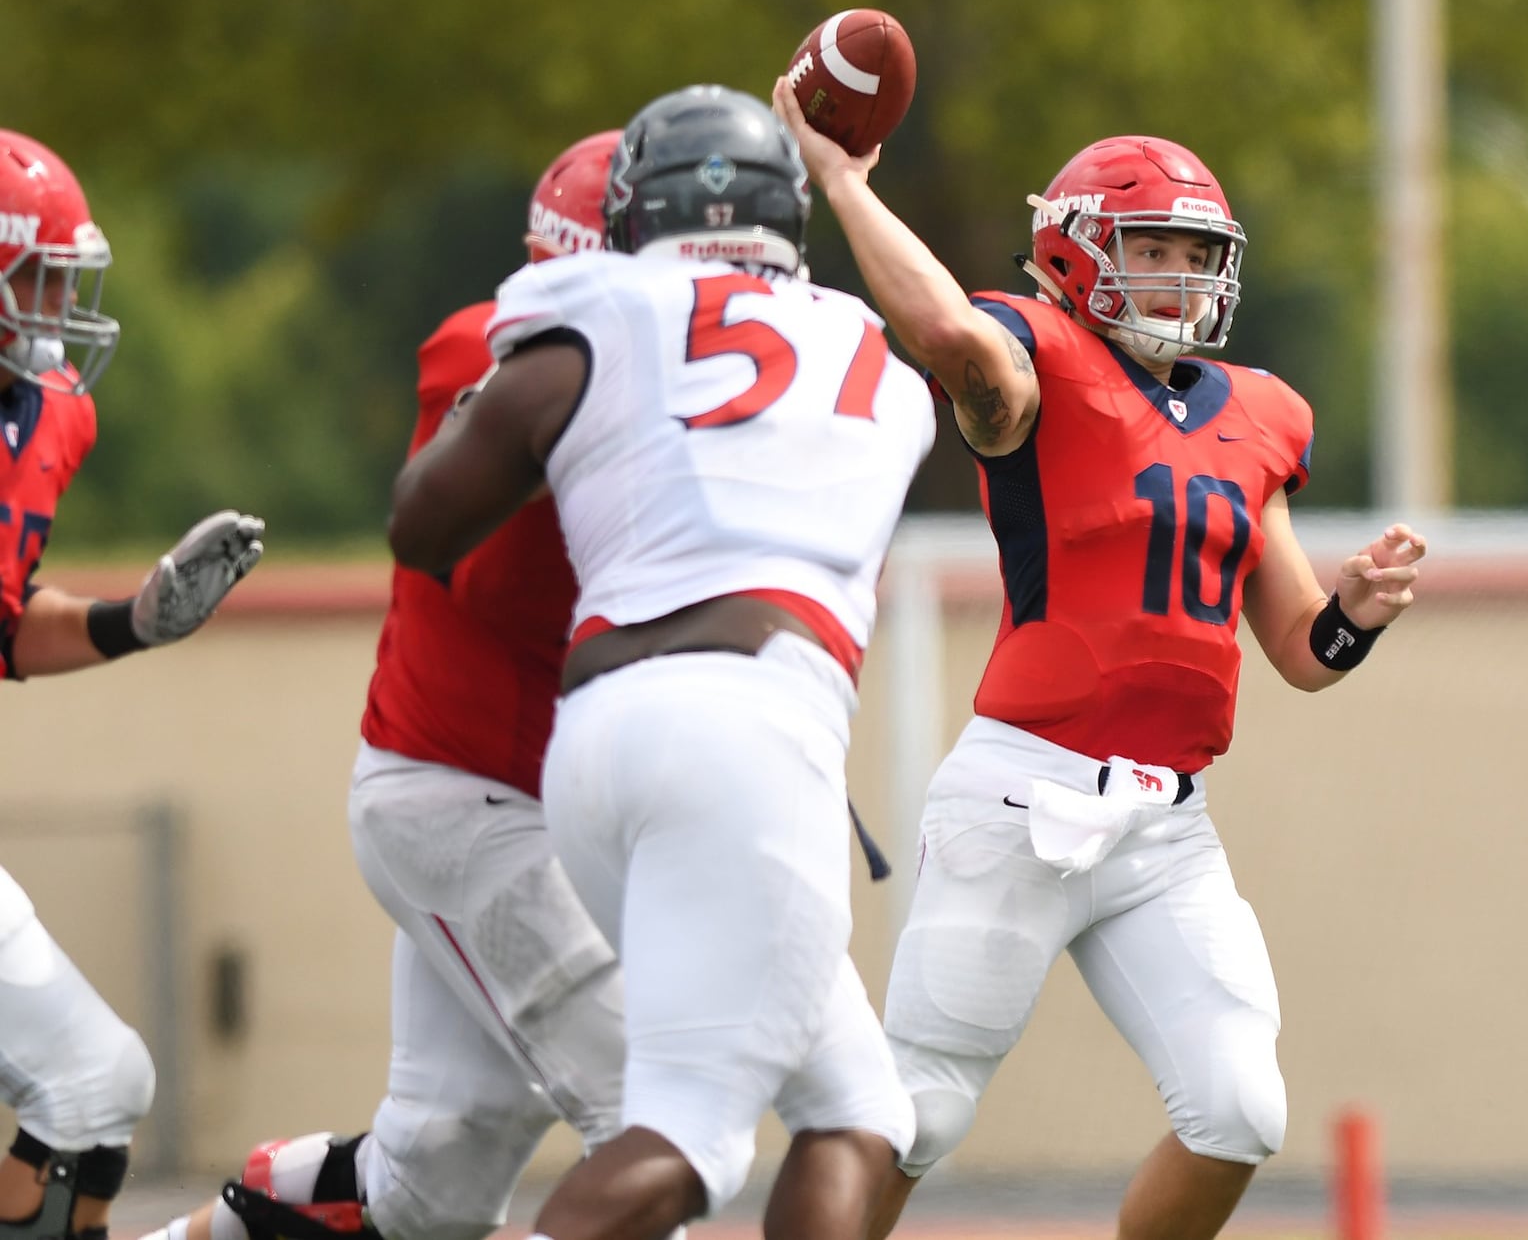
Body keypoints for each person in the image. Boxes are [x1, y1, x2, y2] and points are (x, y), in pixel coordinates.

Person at [773, 81, 1427, 1240]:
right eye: (1153, 246)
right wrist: (842, 183)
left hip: (1166, 825)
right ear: (1073, 255)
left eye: (1195, 250)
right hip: (1023, 793)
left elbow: (1301, 650)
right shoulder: (1035, 360)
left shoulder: (1259, 415)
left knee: (1237, 1107)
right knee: (917, 1112)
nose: (1181, 273)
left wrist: (1357, 611)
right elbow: (947, 337)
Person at [388, 83, 930, 1240]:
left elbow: (422, 526)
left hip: (591, 741)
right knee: (690, 1138)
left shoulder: (595, 305)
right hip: (753, 727)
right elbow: (983, 375)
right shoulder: (874, 348)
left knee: (858, 1108)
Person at [135, 132, 644, 1240]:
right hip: (466, 801)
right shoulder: (498, 355)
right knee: (648, 1118)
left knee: (435, 1184)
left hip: (558, 807)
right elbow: (484, 578)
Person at [0, 129, 264, 1240]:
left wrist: (131, 621)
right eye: (35, 277)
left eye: (64, 277)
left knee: (94, 1089)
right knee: (86, 1084)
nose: (57, 305)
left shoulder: (42, 417)